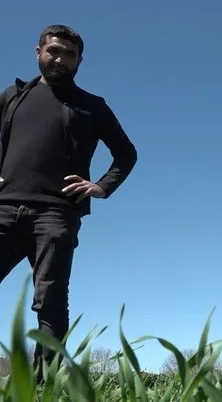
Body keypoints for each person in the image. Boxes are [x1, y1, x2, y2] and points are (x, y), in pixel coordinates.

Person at [0, 24, 137, 381]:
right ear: (38, 52)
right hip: (3, 209)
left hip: (57, 215)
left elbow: (126, 153)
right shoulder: (12, 97)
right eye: (54, 51)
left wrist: (102, 186)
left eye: (69, 54)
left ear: (79, 60)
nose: (60, 59)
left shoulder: (92, 106)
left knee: (50, 299)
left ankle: (43, 384)